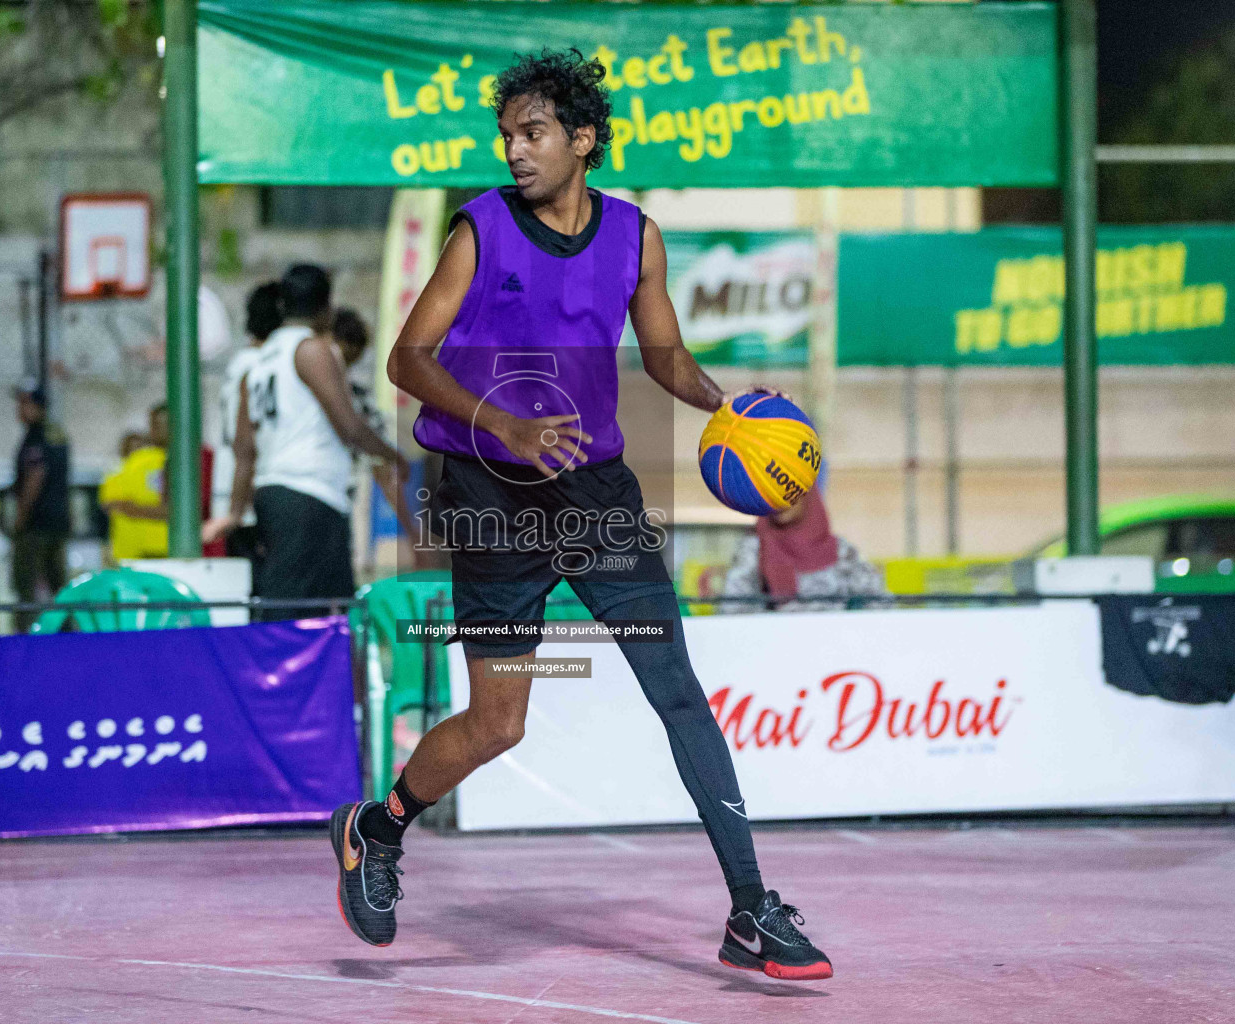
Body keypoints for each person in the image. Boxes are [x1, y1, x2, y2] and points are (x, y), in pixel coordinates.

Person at [328, 50, 833, 981]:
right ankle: (378, 826)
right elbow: (407, 359)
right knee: (498, 724)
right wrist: (506, 427)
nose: (516, 152)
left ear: (584, 139)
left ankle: (752, 908)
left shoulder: (636, 238)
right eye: (508, 136)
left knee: (677, 687)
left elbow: (665, 355)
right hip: (487, 490)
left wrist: (732, 411)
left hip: (595, 494)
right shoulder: (480, 230)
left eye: (534, 134)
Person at [203, 266, 407, 619]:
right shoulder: (311, 351)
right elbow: (349, 427)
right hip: (310, 494)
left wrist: (235, 512)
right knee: (312, 612)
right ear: (326, 307)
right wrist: (394, 455)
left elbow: (244, 450)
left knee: (304, 604)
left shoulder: (258, 363)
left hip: (271, 493)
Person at [328, 308, 419, 569]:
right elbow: (385, 472)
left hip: (339, 512)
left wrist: (412, 532)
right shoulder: (358, 399)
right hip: (340, 514)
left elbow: (383, 472)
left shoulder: (358, 399)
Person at [210, 281, 282, 564]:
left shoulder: (240, 362)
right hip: (250, 496)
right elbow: (250, 440)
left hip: (232, 490)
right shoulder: (263, 367)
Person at [722, 487, 886, 608]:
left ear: (808, 495)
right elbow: (732, 609)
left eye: (790, 491)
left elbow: (880, 604)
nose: (781, 501)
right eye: (773, 493)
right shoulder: (754, 549)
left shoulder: (841, 552)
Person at [10, 382, 71, 631]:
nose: (20, 409)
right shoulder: (56, 433)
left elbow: (36, 476)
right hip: (58, 520)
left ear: (39, 406)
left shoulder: (36, 436)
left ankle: (25, 637)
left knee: (26, 583)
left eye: (25, 403)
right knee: (58, 584)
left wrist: (20, 517)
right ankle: (68, 634)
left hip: (36, 523)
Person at [99, 409, 169, 561]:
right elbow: (111, 504)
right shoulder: (125, 468)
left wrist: (134, 509)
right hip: (156, 548)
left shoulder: (128, 467)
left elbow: (114, 504)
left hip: (138, 551)